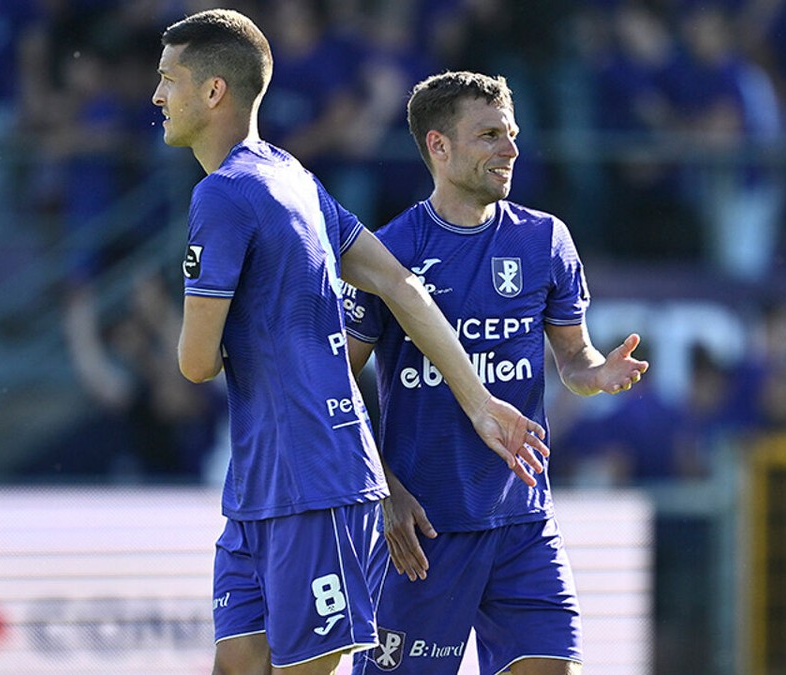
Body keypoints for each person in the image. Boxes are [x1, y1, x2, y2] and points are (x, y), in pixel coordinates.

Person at [153, 11, 547, 674]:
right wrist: (478, 401)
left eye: (169, 79)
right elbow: (399, 283)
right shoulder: (292, 175)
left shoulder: (221, 196)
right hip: (265, 480)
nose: (157, 95)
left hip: (313, 482)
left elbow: (195, 363)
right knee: (237, 665)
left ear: (214, 91)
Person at [344, 70, 648, 675]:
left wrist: (596, 372)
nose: (510, 150)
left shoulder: (545, 240)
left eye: (511, 135)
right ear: (438, 146)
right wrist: (384, 489)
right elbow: (340, 383)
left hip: (523, 520)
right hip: (425, 529)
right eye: (489, 135)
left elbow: (573, 357)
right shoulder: (390, 252)